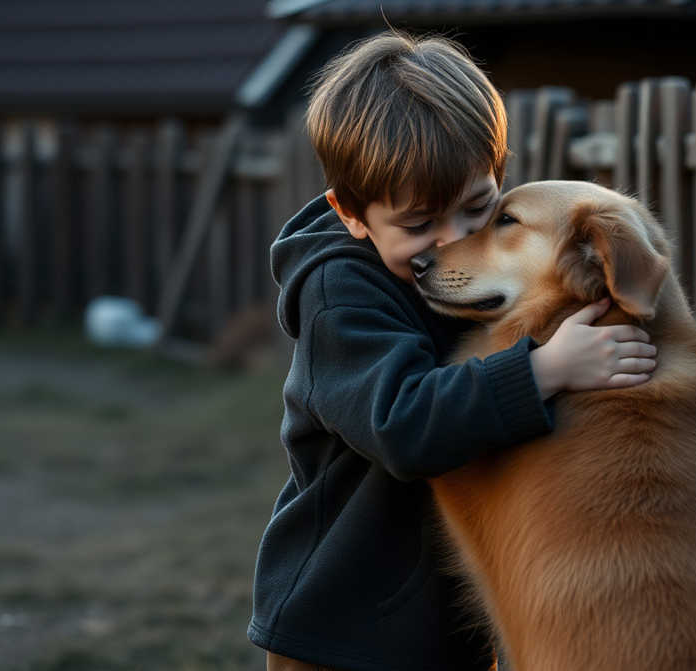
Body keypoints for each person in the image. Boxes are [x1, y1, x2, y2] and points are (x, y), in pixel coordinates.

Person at [248, 31, 658, 671]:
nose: (452, 243)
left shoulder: (467, 280)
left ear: (498, 177)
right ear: (351, 214)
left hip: (448, 630)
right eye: (419, 225)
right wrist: (545, 369)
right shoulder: (339, 294)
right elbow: (403, 425)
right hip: (344, 630)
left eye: (478, 210)